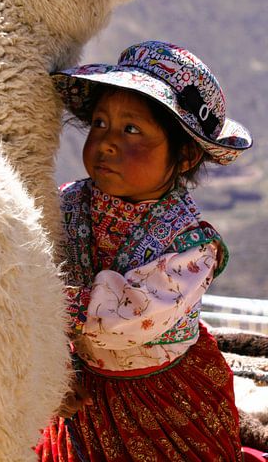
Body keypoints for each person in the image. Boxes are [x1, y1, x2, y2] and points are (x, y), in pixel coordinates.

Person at [36, 41, 255, 461]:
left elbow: (125, 316)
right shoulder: (64, 206)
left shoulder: (190, 247)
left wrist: (34, 291)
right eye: (100, 123)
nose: (107, 142)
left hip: (164, 402)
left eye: (132, 130)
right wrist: (57, 367)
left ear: (186, 155)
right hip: (83, 394)